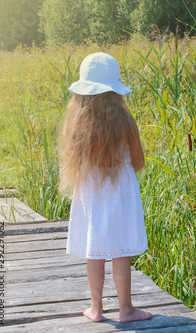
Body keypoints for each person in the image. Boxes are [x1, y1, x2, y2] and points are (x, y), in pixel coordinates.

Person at [59, 52, 153, 323]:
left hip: (90, 192)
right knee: (120, 251)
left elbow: (73, 160)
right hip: (121, 193)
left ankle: (96, 309)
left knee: (94, 251)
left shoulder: (77, 123)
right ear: (116, 90)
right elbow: (138, 162)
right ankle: (126, 309)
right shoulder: (126, 122)